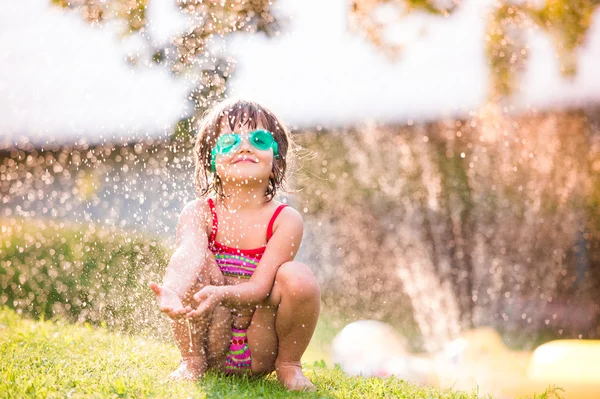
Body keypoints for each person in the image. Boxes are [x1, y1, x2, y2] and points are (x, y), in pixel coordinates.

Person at [148, 98, 320, 391]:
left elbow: (260, 289)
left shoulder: (284, 219)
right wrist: (173, 291)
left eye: (259, 139)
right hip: (211, 339)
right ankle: (191, 361)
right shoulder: (200, 211)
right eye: (229, 141)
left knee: (298, 276)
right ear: (211, 159)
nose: (244, 146)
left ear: (276, 158)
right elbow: (187, 253)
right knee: (199, 261)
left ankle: (289, 366)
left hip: (257, 344)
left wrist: (221, 293)